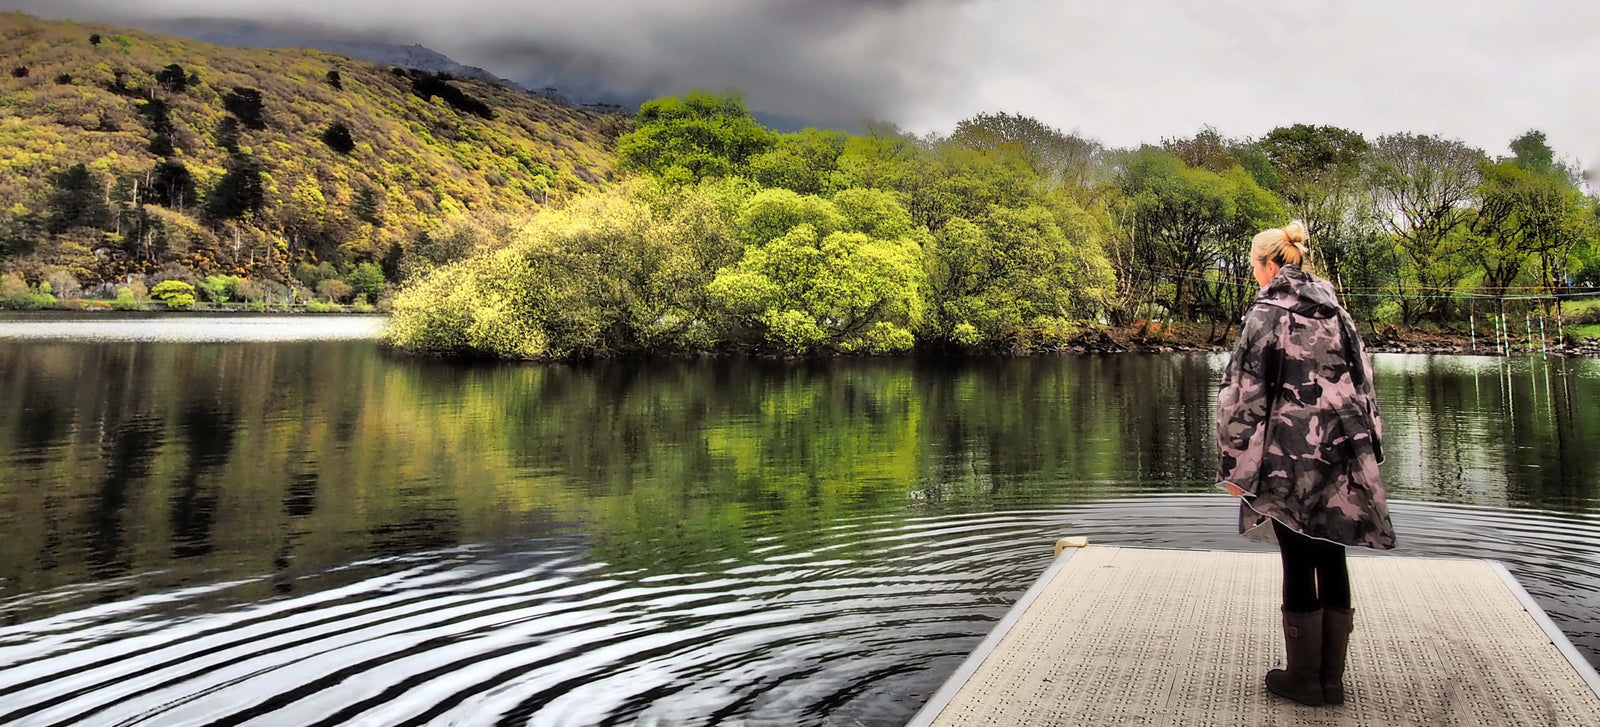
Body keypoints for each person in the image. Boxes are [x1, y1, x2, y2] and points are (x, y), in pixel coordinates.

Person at [1216, 221, 1396, 707]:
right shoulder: (1335, 308)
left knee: (1296, 550)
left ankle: (1303, 679)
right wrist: (1369, 444)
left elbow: (1241, 393)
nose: (1255, 275)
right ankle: (1331, 679)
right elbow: (1365, 378)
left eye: (1255, 267)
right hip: (1343, 442)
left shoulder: (1266, 312)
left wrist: (1234, 462)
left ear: (1269, 265)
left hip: (1287, 449)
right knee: (1332, 546)